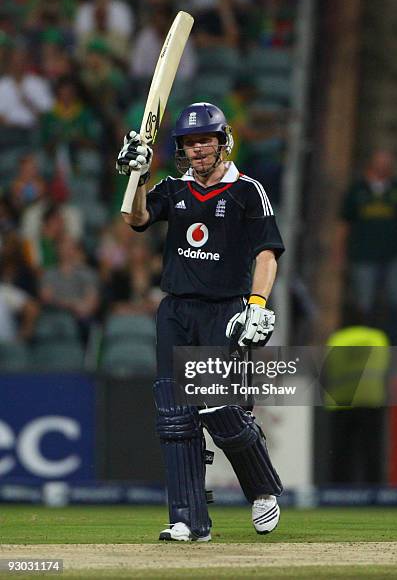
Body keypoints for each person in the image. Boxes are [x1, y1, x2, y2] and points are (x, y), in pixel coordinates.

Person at [117, 102, 284, 542]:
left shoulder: (247, 190)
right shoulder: (172, 189)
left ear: (223, 141)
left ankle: (263, 487)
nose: (199, 150)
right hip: (176, 310)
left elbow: (266, 252)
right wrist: (137, 177)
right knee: (175, 415)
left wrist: (257, 303)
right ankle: (190, 520)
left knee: (221, 407)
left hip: (225, 308)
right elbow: (135, 217)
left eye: (206, 140)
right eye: (191, 143)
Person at [335, 149, 397, 344]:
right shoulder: (357, 190)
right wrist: (339, 253)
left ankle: (395, 346)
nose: (384, 166)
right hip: (364, 255)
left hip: (394, 255)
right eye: (380, 162)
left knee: (396, 302)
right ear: (371, 163)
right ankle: (367, 344)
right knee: (365, 303)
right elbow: (343, 225)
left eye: (387, 163)